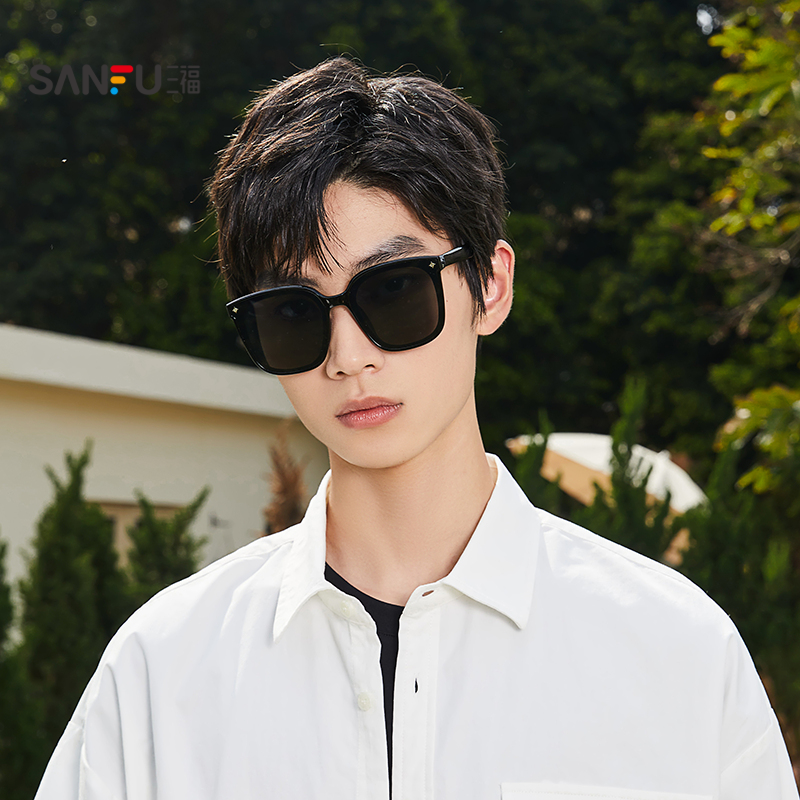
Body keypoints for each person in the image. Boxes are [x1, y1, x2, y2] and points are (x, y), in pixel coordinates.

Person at [36, 57, 797, 800]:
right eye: (294, 313)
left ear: (491, 286)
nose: (348, 356)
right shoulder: (162, 673)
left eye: (394, 290)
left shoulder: (677, 654)